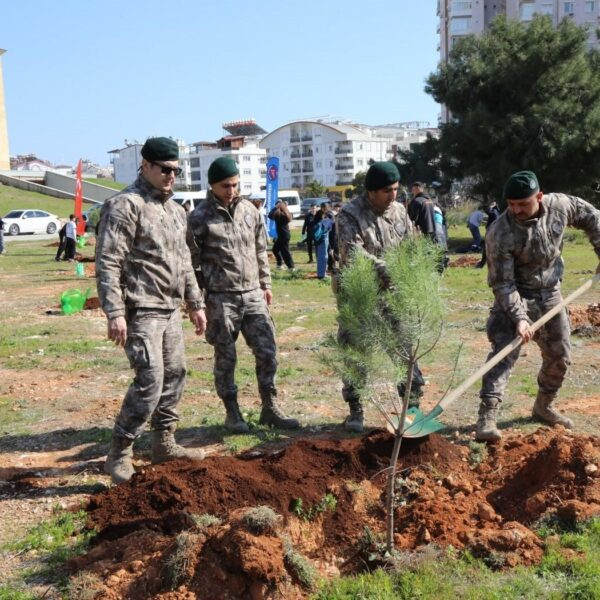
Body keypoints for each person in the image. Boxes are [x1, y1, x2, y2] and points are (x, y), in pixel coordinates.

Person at [96, 136, 206, 484]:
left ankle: (164, 443)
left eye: (176, 169)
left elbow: (185, 261)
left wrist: (195, 304)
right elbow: (108, 262)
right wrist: (114, 312)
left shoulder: (175, 210)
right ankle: (119, 453)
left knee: (176, 374)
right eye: (165, 169)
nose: (171, 175)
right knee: (150, 381)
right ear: (145, 165)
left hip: (170, 309)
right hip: (141, 309)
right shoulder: (125, 205)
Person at [475, 171, 600, 442]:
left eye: (523, 203)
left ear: (539, 197)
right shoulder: (500, 232)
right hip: (517, 294)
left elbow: (592, 217)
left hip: (551, 292)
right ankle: (487, 416)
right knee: (503, 354)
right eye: (511, 204)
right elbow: (502, 284)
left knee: (560, 354)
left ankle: (544, 406)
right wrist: (520, 318)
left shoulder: (560, 205)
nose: (516, 210)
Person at [187, 156, 299, 433]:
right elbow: (190, 263)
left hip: (252, 294)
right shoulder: (199, 217)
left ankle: (269, 408)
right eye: (226, 185)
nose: (231, 190)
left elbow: (260, 249)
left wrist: (266, 284)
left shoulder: (249, 211)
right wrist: (197, 301)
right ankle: (232, 412)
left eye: (235, 185)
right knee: (226, 357)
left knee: (268, 351)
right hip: (221, 297)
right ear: (212, 185)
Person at [335, 162, 424, 432]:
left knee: (406, 355)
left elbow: (411, 245)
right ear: (371, 191)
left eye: (396, 189)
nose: (393, 195)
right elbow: (352, 254)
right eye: (387, 191)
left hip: (393, 297)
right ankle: (356, 411)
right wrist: (388, 270)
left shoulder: (399, 212)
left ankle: (412, 412)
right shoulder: (349, 214)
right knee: (356, 356)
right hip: (361, 297)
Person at [408, 182, 448, 271]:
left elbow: (413, 218)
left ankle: (428, 271)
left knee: (424, 254)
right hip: (432, 229)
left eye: (413, 188)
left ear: (418, 188)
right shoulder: (429, 201)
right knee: (433, 252)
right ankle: (438, 269)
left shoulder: (416, 201)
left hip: (422, 231)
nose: (412, 191)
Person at [268, 200, 295, 270]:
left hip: (284, 236)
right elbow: (271, 216)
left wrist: (275, 208)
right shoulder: (284, 213)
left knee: (285, 251)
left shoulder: (282, 215)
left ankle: (291, 267)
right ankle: (279, 265)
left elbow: (270, 216)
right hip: (282, 236)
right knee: (275, 249)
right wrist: (277, 207)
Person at [476, 202, 500, 268]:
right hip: (496, 232)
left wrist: (491, 207)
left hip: (492, 231)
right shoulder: (497, 211)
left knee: (487, 248)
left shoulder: (493, 212)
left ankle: (482, 264)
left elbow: (488, 212)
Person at [314, 202, 334, 280]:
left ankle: (321, 273)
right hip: (323, 237)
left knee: (320, 256)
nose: (324, 210)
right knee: (323, 256)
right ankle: (321, 274)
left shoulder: (319, 214)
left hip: (318, 237)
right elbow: (329, 227)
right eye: (324, 208)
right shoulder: (328, 215)